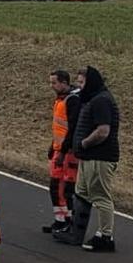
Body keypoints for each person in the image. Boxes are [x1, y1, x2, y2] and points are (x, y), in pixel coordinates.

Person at [55, 66, 120, 251]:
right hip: (88, 157)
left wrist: (84, 143)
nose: (79, 86)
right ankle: (76, 232)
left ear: (91, 82)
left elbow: (103, 131)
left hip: (99, 157)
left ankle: (106, 236)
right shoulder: (92, 99)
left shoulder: (101, 100)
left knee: (100, 195)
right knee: (82, 193)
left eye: (82, 82)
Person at [42, 69, 82, 235]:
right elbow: (59, 127)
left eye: (54, 82)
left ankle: (68, 222)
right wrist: (53, 146)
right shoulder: (61, 99)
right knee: (55, 187)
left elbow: (71, 129)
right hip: (59, 149)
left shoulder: (72, 100)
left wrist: (63, 152)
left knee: (64, 188)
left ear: (64, 83)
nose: (52, 86)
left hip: (67, 153)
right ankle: (60, 220)